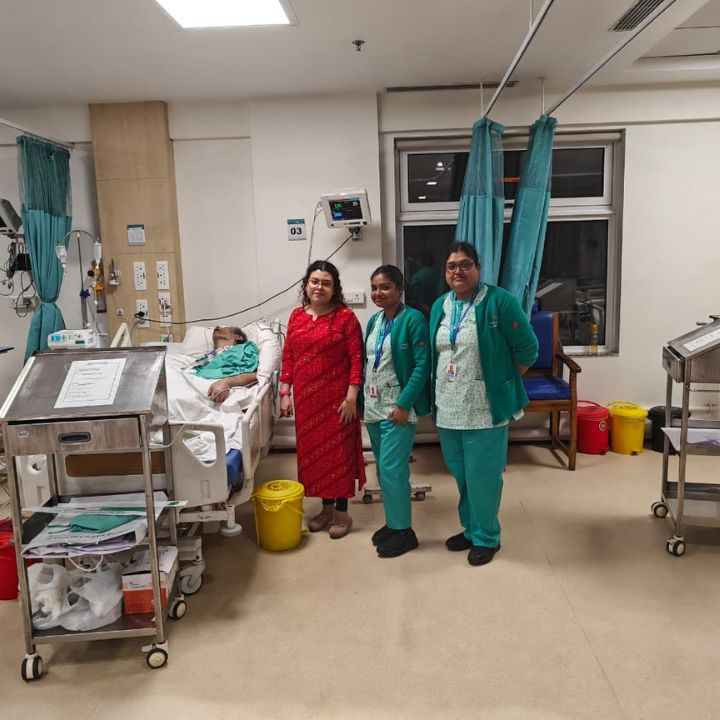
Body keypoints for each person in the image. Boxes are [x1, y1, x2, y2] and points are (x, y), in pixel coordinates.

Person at [429, 242, 538, 566]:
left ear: (478, 268)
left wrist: (503, 380)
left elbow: (528, 349)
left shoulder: (499, 301)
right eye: (451, 266)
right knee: (462, 476)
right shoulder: (440, 306)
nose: (458, 271)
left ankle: (487, 537)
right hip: (448, 407)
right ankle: (471, 528)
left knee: (483, 477)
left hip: (484, 409)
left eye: (465, 264)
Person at [279, 261, 366, 539]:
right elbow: (288, 356)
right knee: (316, 457)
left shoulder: (345, 318)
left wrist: (352, 397)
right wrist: (285, 392)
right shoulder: (296, 316)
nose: (319, 287)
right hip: (307, 401)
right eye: (315, 281)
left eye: (326, 283)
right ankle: (325, 509)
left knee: (338, 456)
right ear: (306, 284)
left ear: (334, 288)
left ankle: (342, 513)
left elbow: (357, 360)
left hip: (338, 401)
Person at [363, 265, 430, 558]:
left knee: (393, 469)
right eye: (374, 287)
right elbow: (369, 363)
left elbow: (422, 365)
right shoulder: (374, 321)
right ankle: (393, 523)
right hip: (374, 407)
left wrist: (404, 404)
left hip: (397, 409)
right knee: (383, 470)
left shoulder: (413, 319)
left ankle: (405, 532)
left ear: (400, 289)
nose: (378, 293)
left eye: (385, 287)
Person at [193, 326, 260, 404]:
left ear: (238, 337)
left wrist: (227, 382)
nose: (217, 327)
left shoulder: (245, 348)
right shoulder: (207, 357)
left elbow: (258, 374)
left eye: (225, 328)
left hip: (211, 388)